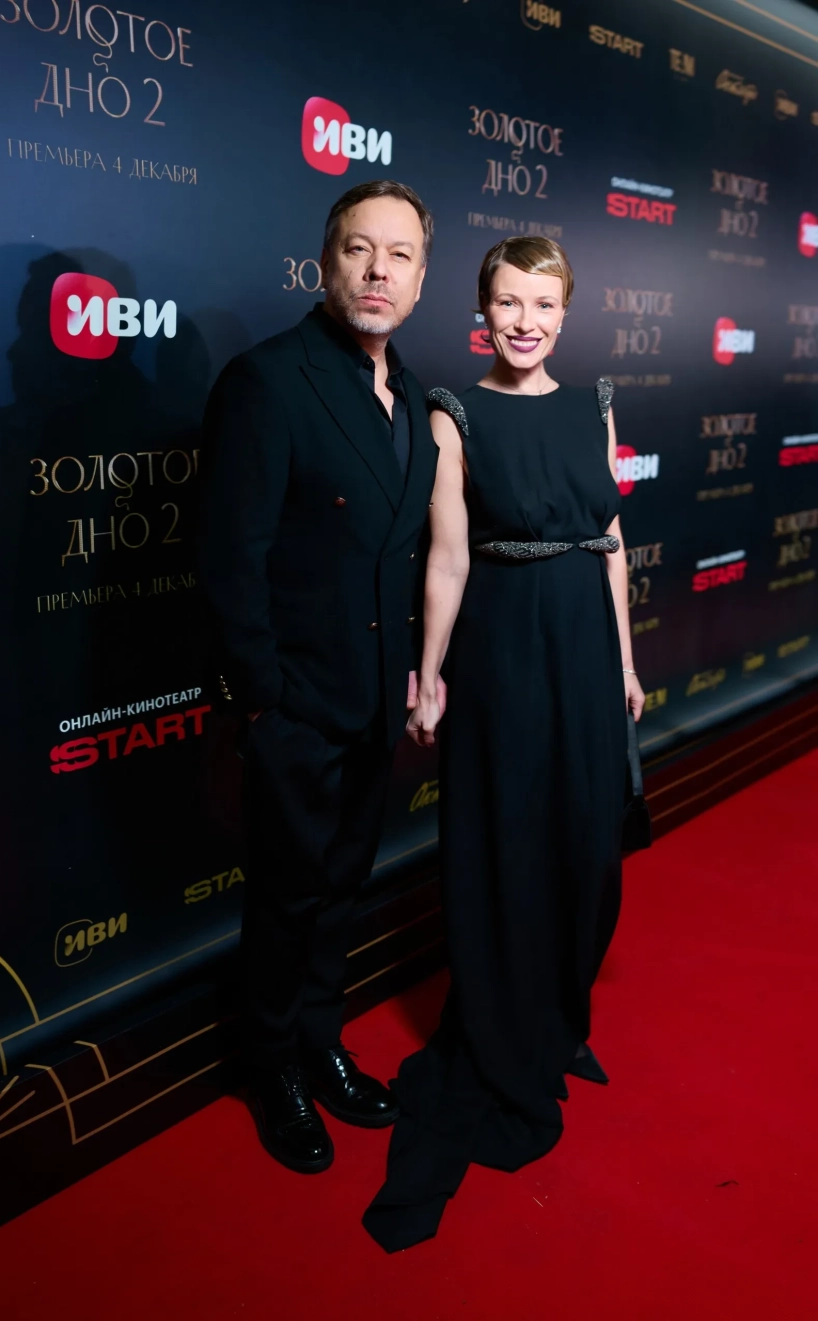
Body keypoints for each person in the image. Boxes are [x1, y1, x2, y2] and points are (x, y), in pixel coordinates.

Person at [363, 236, 645, 1250]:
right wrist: (430, 672)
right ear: (483, 311)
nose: (526, 322)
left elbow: (610, 544)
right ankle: (504, 1029)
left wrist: (624, 663)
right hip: (502, 650)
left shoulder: (593, 402)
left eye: (543, 304)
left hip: (583, 646)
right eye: (509, 303)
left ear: (566, 312)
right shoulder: (456, 413)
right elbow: (445, 561)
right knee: (507, 844)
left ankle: (557, 1018)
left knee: (586, 848)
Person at [197, 180, 440, 1174]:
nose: (378, 271)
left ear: (421, 280)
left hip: (376, 699)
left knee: (340, 890)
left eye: (400, 255)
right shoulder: (266, 381)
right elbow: (230, 561)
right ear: (326, 261)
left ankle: (318, 1039)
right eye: (359, 249)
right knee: (286, 899)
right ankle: (271, 1068)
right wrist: (265, 703)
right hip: (295, 708)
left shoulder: (417, 399)